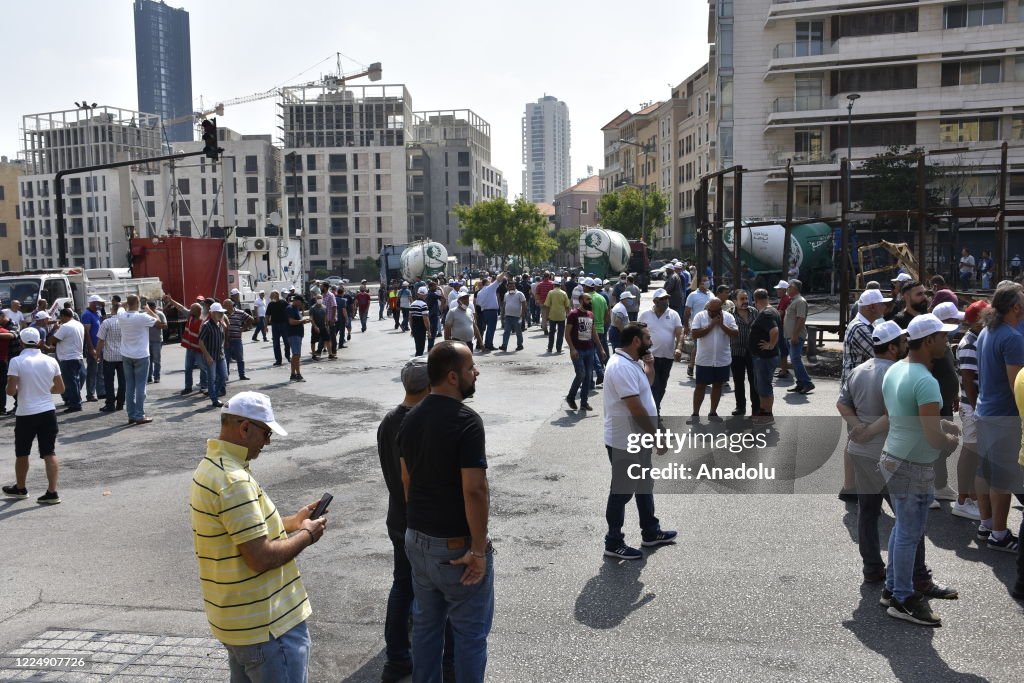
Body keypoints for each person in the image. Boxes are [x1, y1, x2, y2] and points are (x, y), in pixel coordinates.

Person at [190, 391, 325, 681]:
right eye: (265, 433)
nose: (268, 442)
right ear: (245, 428)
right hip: (268, 625)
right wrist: (307, 534)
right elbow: (260, 557)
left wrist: (291, 522)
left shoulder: (212, 467)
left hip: (239, 622)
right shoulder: (234, 480)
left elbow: (239, 533)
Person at [398, 341, 493, 683]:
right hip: (456, 546)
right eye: (471, 368)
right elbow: (474, 489)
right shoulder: (466, 421)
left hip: (418, 538)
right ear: (453, 377)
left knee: (425, 626)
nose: (476, 372)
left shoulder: (409, 418)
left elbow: (407, 480)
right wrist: (478, 551)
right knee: (470, 634)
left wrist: (420, 526)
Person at [879, 313, 961, 626]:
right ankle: (902, 598)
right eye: (943, 336)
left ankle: (892, 589)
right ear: (928, 341)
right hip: (912, 464)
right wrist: (949, 437)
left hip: (892, 456)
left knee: (902, 530)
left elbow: (900, 415)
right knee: (909, 533)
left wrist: (935, 426)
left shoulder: (897, 369)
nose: (947, 341)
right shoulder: (926, 381)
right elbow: (932, 436)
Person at [376, 359, 455, 682]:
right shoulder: (425, 423)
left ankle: (396, 659)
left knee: (403, 586)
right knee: (444, 592)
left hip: (397, 517)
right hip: (427, 522)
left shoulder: (388, 421)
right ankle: (448, 666)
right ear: (428, 387)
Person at [602, 322, 677, 560]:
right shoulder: (620, 367)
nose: (650, 341)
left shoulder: (631, 363)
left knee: (644, 485)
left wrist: (650, 366)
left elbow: (646, 384)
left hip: (638, 438)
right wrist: (657, 437)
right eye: (647, 337)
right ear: (636, 341)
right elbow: (635, 408)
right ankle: (613, 542)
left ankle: (650, 531)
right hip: (626, 440)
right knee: (622, 492)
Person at [974, 282, 1024, 553]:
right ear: (1015, 307)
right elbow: (1017, 384)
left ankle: (987, 524)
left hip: (985, 410)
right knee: (1002, 478)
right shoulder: (1012, 338)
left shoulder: (987, 330)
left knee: (986, 471)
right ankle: (999, 534)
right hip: (1003, 415)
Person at [838, 289, 893, 500]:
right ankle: (852, 486)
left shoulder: (864, 325)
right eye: (882, 304)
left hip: (859, 388)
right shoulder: (861, 328)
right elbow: (880, 352)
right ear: (871, 307)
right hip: (858, 390)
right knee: (858, 438)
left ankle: (853, 486)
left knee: (858, 438)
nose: (884, 308)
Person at [2, 327, 64, 504]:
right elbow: (60, 388)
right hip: (47, 411)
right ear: (39, 342)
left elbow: (10, 390)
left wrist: (16, 388)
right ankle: (52, 492)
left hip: (26, 412)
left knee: (22, 452)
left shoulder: (17, 361)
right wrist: (45, 389)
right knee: (49, 452)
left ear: (21, 342)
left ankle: (20, 488)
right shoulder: (50, 361)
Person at [954, 300, 988, 521]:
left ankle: (970, 497)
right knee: (970, 451)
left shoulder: (976, 339)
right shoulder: (969, 343)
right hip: (970, 404)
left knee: (974, 452)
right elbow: (968, 379)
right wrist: (977, 408)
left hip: (972, 403)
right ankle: (964, 500)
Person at [688, 297, 738, 420]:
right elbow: (695, 334)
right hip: (704, 359)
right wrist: (711, 325)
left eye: (714, 311)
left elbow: (735, 333)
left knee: (717, 386)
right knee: (700, 386)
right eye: (709, 310)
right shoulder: (700, 316)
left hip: (722, 360)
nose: (711, 313)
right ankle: (695, 413)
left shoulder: (728, 317)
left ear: (720, 310)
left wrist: (721, 325)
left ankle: (713, 412)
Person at [119, 295, 164, 426]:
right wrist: (149, 309)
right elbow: (159, 323)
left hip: (126, 354)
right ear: (138, 303)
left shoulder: (121, 315)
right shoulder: (142, 316)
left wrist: (126, 303)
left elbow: (120, 307)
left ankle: (131, 414)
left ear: (128, 303)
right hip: (141, 355)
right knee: (140, 386)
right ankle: (139, 414)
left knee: (130, 386)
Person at [641, 288, 683, 417]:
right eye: (663, 299)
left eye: (667, 298)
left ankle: (656, 406)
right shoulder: (645, 315)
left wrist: (679, 348)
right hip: (650, 356)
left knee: (662, 384)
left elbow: (679, 333)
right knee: (653, 384)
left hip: (667, 356)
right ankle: (654, 411)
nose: (666, 301)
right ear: (655, 301)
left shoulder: (673, 314)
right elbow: (639, 333)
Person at [565, 292, 606, 411]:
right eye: (588, 299)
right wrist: (572, 349)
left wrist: (601, 349)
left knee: (588, 377)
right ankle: (571, 397)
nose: (590, 301)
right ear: (582, 300)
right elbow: (567, 334)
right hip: (577, 350)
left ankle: (584, 403)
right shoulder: (573, 314)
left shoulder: (590, 315)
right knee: (581, 374)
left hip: (590, 350)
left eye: (591, 299)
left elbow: (593, 333)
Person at [749, 289, 781, 424]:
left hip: (765, 357)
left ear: (755, 301)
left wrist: (770, 345)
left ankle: (767, 415)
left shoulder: (766, 313)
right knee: (762, 385)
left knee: (764, 386)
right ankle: (764, 411)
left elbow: (774, 330)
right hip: (765, 356)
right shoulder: (773, 310)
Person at [48, 308, 85, 414]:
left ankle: (75, 404)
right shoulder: (79, 324)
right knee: (76, 381)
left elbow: (53, 340)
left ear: (64, 316)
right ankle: (77, 401)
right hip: (78, 356)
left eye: (61, 317)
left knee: (71, 382)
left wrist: (56, 329)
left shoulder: (65, 326)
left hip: (67, 357)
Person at [729, 289, 759, 416]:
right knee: (738, 380)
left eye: (746, 298)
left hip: (753, 352)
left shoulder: (754, 312)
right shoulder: (729, 314)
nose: (745, 301)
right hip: (736, 352)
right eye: (742, 299)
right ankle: (740, 407)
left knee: (754, 381)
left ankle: (756, 408)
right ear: (735, 301)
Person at [784, 280, 813, 395]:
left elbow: (801, 319)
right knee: (794, 360)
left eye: (789, 286)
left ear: (796, 288)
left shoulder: (800, 301)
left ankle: (807, 383)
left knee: (795, 359)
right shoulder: (793, 301)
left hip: (796, 336)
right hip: (789, 336)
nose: (787, 288)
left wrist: (795, 335)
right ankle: (800, 383)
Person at [95, 309, 126, 413]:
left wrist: (97, 353)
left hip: (109, 357)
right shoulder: (125, 322)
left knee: (108, 382)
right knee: (123, 381)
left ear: (112, 310)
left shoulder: (107, 322)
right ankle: (120, 403)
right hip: (123, 356)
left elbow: (101, 340)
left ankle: (110, 404)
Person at [198, 303, 229, 408]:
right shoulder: (206, 325)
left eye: (221, 313)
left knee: (224, 376)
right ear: (212, 313)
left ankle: (214, 394)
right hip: (211, 357)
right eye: (219, 313)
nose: (221, 314)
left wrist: (223, 348)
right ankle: (214, 399)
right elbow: (200, 342)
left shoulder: (220, 324)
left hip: (220, 355)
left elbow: (222, 338)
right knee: (212, 378)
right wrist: (207, 356)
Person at [683, 277, 712, 379]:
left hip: (711, 325)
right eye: (704, 281)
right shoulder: (693, 295)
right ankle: (694, 366)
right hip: (697, 325)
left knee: (706, 347)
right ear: (700, 283)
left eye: (708, 280)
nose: (707, 282)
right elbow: (687, 312)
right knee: (699, 346)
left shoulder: (711, 294)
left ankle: (693, 365)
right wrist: (686, 326)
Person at [80, 295, 104, 402]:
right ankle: (90, 394)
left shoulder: (97, 313)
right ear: (93, 303)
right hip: (93, 347)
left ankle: (101, 392)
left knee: (100, 370)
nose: (100, 305)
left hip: (100, 346)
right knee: (92, 371)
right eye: (99, 303)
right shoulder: (86, 315)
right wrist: (90, 348)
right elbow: (87, 333)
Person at [285, 296, 311, 382]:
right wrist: (302, 321)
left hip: (297, 334)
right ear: (296, 301)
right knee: (296, 355)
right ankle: (298, 374)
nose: (302, 304)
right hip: (293, 334)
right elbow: (291, 322)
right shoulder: (290, 308)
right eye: (301, 302)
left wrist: (303, 321)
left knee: (296, 355)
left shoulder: (295, 308)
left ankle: (293, 374)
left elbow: (296, 320)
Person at [476, 274, 504, 351]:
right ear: (487, 283)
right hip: (492, 311)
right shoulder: (490, 288)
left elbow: (478, 303)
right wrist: (504, 272)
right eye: (489, 281)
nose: (491, 282)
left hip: (484, 311)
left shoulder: (479, 292)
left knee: (485, 329)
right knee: (491, 329)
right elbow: (498, 279)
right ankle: (489, 344)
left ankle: (484, 343)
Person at [499, 279, 527, 352]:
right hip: (508, 316)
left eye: (513, 286)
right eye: (510, 286)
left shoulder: (519, 294)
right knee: (506, 332)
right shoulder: (506, 294)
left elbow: (524, 304)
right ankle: (504, 346)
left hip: (517, 316)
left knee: (518, 331)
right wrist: (503, 314)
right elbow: (505, 304)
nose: (511, 287)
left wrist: (522, 315)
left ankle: (520, 345)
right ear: (508, 287)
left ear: (515, 286)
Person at [543, 282, 571, 354]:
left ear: (554, 285)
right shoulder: (564, 293)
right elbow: (567, 306)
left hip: (552, 315)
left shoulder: (551, 293)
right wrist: (569, 315)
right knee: (560, 333)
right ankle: (559, 349)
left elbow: (547, 305)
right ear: (560, 286)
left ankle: (550, 348)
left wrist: (546, 316)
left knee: (551, 332)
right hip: (561, 316)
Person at [266, 291, 291, 367]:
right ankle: (278, 360)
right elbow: (267, 315)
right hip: (275, 325)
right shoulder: (270, 304)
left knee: (287, 342)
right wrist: (265, 325)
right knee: (276, 343)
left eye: (272, 295)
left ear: (277, 295)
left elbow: (290, 310)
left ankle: (287, 355)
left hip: (284, 324)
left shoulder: (283, 302)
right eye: (271, 295)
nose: (271, 296)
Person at [144, 301, 167, 384]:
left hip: (157, 340)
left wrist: (155, 324)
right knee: (148, 360)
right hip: (147, 341)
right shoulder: (145, 315)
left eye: (152, 307)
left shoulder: (160, 314)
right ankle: (149, 377)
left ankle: (157, 377)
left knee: (156, 360)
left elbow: (165, 326)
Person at [773, 280, 792, 378]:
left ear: (784, 289)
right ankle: (784, 368)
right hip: (783, 326)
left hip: (783, 327)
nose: (777, 291)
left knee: (783, 349)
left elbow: (780, 313)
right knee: (783, 349)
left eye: (779, 289)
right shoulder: (784, 298)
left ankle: (784, 370)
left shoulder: (785, 299)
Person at [409, 287, 431, 357]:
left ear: (418, 294)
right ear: (424, 295)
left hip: (415, 327)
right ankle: (417, 363)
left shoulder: (412, 304)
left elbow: (410, 318)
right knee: (421, 348)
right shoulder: (424, 305)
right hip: (421, 328)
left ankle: (417, 360)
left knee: (417, 346)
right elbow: (425, 319)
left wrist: (412, 329)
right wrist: (429, 330)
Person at [320, 283, 338, 360]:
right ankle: (319, 351)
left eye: (322, 286)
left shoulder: (330, 295)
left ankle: (333, 352)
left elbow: (334, 307)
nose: (320, 287)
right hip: (323, 320)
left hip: (330, 319)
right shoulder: (322, 296)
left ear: (325, 287)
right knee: (324, 336)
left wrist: (333, 318)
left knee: (332, 337)